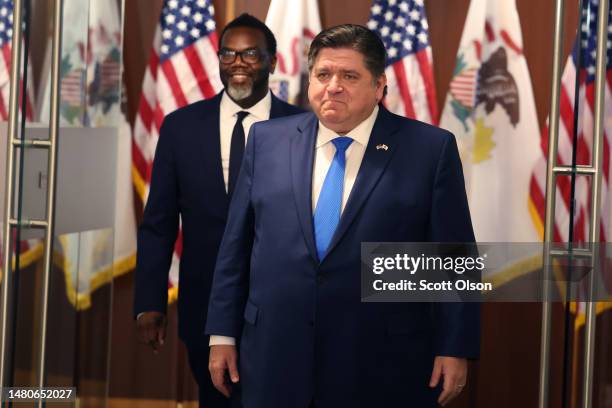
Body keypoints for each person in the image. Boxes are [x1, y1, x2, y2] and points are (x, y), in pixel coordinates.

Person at [205, 24, 480, 408]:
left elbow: (451, 260)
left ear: (380, 85)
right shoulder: (266, 140)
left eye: (349, 76)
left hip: (380, 360)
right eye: (323, 74)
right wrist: (222, 334)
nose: (333, 86)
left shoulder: (429, 150)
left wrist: (455, 346)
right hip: (274, 354)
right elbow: (236, 245)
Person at [133, 13, 303, 408]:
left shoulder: (303, 127)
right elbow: (158, 225)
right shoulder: (181, 127)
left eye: (250, 55)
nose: (238, 63)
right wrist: (149, 302)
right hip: (203, 304)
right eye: (229, 54)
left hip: (282, 306)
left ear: (273, 61)